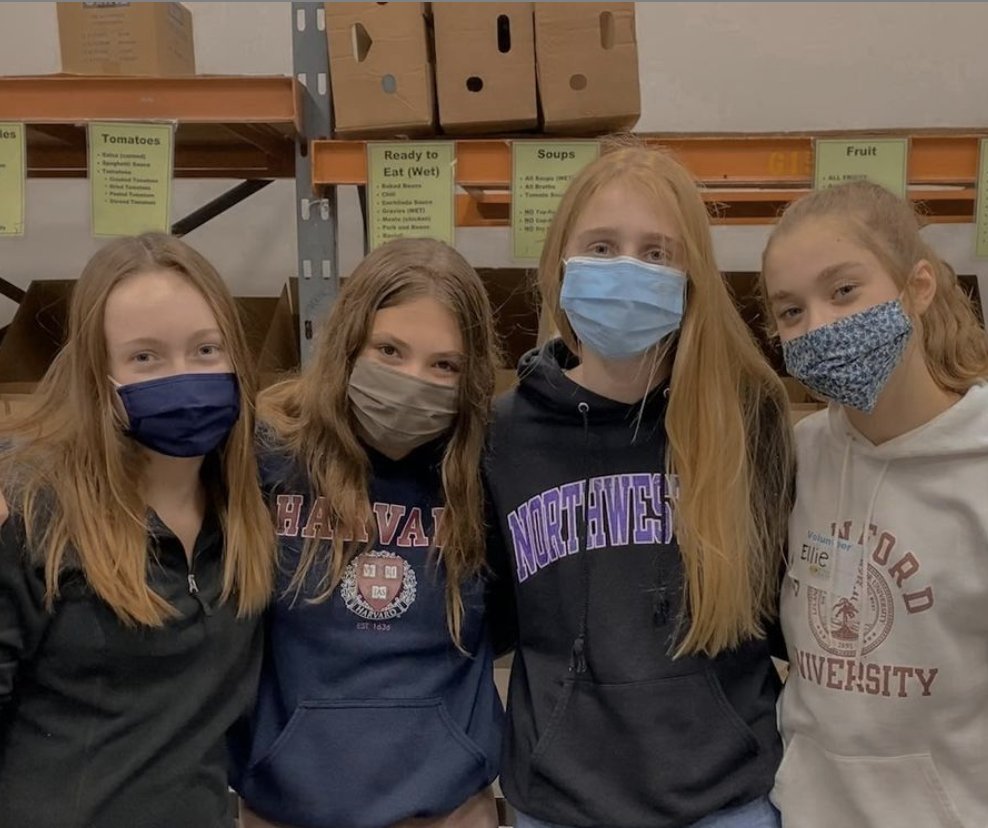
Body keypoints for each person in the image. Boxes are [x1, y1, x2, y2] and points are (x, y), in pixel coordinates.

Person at [484, 144, 795, 828]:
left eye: (657, 253)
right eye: (602, 245)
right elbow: (495, 622)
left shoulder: (747, 417)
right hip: (559, 801)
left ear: (691, 277)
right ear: (559, 261)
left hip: (724, 799)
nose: (627, 268)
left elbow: (782, 613)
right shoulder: (502, 435)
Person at [0, 233, 275, 828]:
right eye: (144, 357)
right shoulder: (32, 515)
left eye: (206, 350)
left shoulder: (252, 504)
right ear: (99, 376)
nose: (183, 376)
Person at [232, 237, 504, 828]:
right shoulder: (264, 455)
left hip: (446, 810)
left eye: (444, 365)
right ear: (348, 342)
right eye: (389, 350)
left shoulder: (486, 472)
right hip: (285, 809)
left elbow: (512, 619)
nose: (414, 381)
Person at [760, 180, 988, 828]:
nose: (820, 325)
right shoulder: (802, 457)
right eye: (790, 311)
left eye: (843, 291)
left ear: (918, 288)